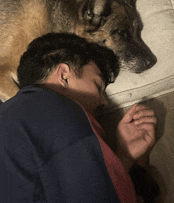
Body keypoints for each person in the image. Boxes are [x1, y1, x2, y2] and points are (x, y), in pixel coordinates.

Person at [0, 33, 157, 203]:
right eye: (98, 85)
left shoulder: (14, 115)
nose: (103, 102)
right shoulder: (61, 111)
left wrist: (124, 157)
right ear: (64, 76)